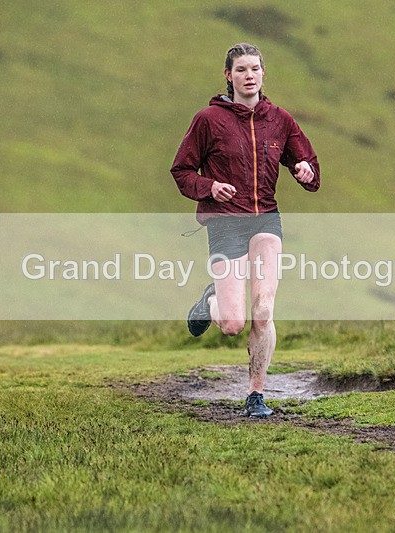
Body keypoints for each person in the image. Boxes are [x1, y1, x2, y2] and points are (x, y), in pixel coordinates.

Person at [170, 43, 320, 418]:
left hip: (266, 219)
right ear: (228, 76)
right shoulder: (209, 120)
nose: (248, 75)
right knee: (233, 323)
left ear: (263, 73)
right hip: (225, 222)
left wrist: (305, 170)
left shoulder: (280, 119)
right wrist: (209, 187)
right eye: (241, 70)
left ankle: (256, 394)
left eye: (254, 68)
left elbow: (308, 164)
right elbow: (182, 171)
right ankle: (211, 301)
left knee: (264, 310)